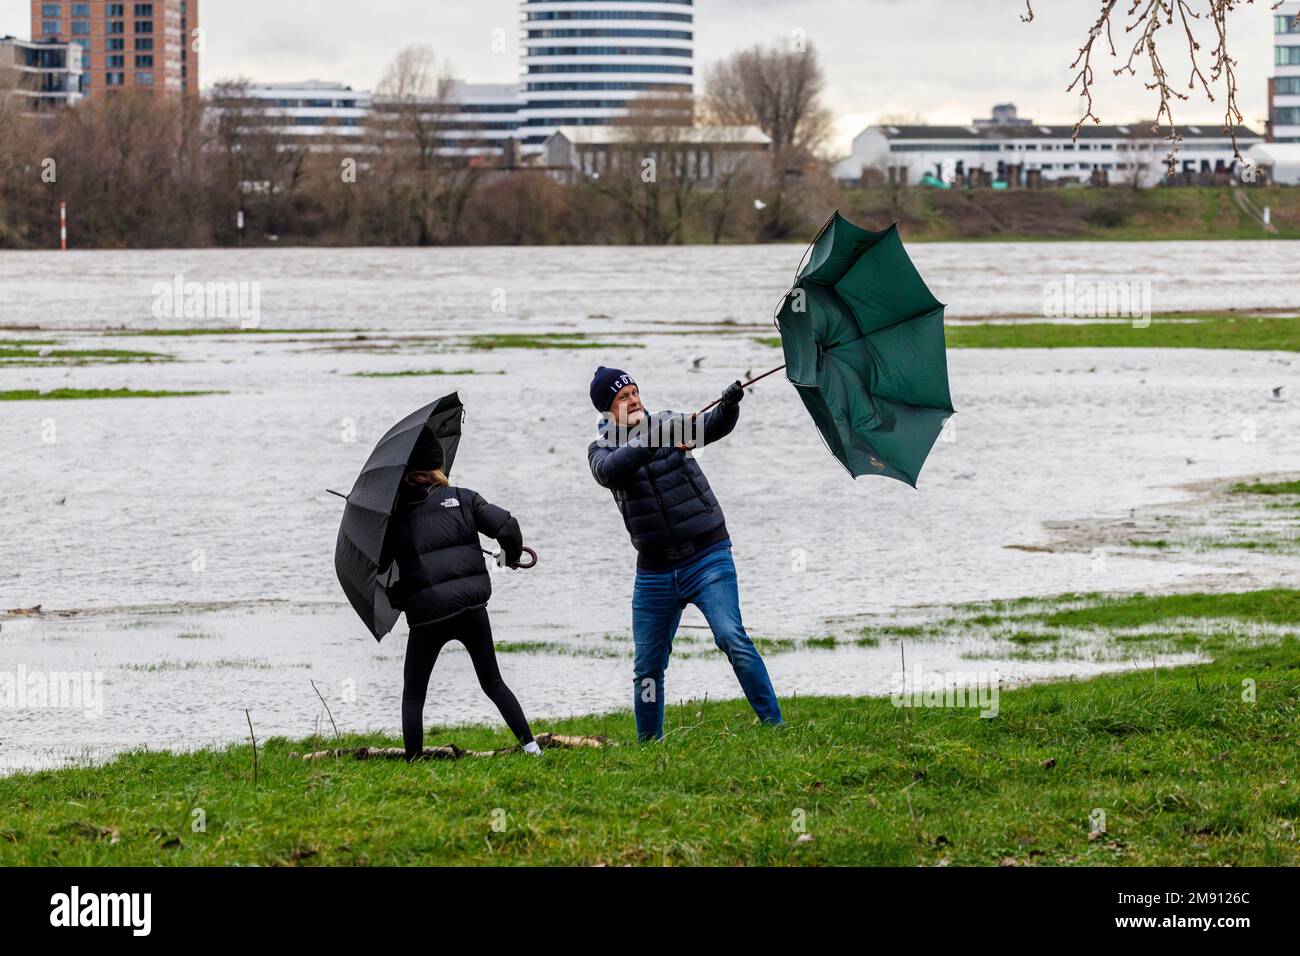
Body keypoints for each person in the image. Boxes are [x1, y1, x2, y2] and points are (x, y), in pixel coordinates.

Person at [586, 366, 783, 741]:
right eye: (622, 397)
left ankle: (774, 725)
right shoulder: (601, 450)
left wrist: (729, 407)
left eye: (634, 392)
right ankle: (649, 745)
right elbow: (612, 472)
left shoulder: (668, 423)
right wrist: (651, 437)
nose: (633, 400)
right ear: (607, 410)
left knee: (731, 637)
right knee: (647, 667)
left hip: (708, 555)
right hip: (655, 572)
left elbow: (712, 427)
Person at [386, 433, 540, 761]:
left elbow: (385, 566)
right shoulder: (464, 499)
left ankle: (413, 759)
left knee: (413, 694)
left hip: (427, 618)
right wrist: (509, 556)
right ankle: (532, 747)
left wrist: (400, 596)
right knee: (493, 682)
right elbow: (508, 526)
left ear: (408, 473)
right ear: (438, 466)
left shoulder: (397, 517)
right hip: (471, 609)